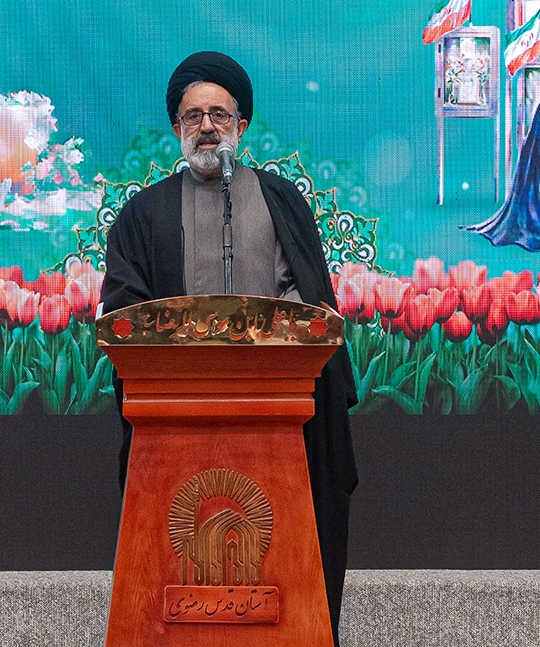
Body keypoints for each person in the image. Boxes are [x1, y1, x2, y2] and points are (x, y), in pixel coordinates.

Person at [101, 51, 358, 643]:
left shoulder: (281, 200)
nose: (207, 127)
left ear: (241, 125)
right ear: (177, 128)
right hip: (172, 415)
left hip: (283, 412)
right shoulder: (144, 214)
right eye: (193, 116)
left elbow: (309, 303)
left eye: (219, 115)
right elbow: (123, 310)